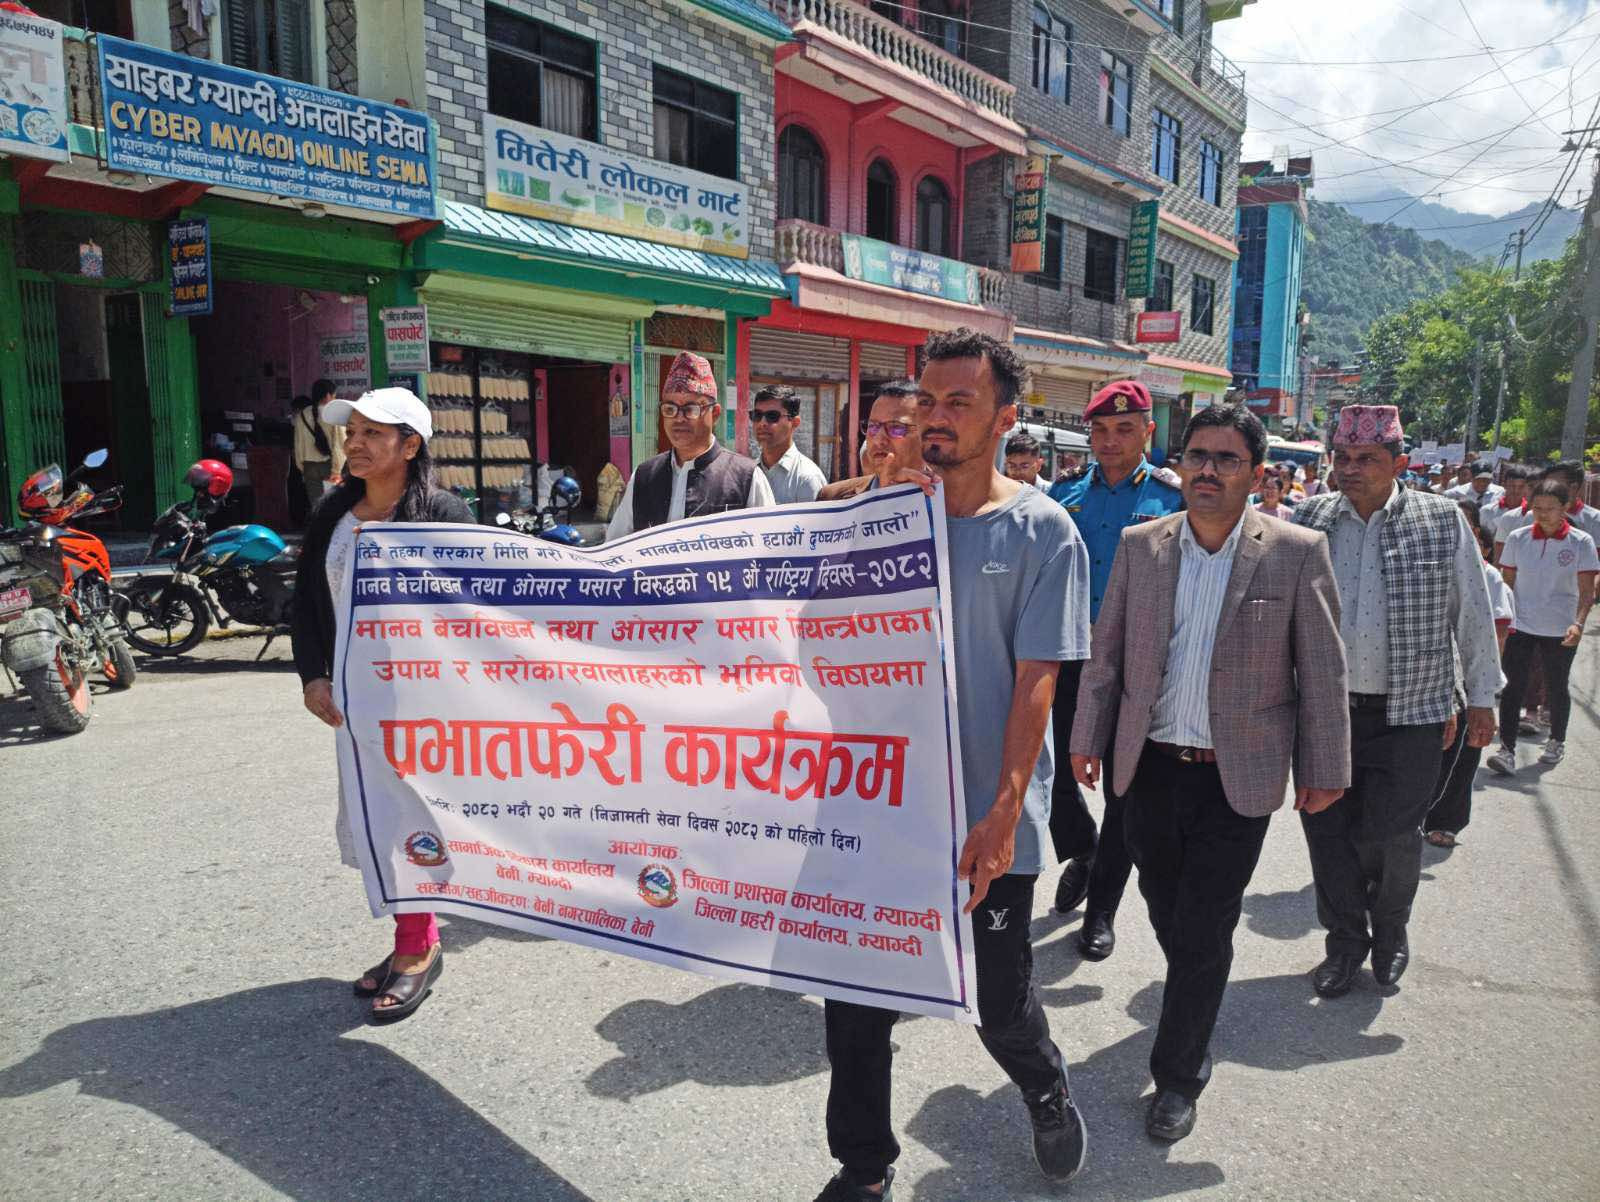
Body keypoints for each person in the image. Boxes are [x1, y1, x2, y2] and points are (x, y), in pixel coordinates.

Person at [815, 329, 1091, 1200]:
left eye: (958, 403)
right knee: (855, 997)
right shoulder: (872, 516)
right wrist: (877, 519)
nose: (934, 418)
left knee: (995, 1000)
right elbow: (812, 636)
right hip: (874, 808)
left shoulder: (1044, 532)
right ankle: (864, 1166)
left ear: (1005, 420)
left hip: (984, 819)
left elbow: (1036, 683)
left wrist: (1003, 812)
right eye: (926, 401)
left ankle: (1043, 1084)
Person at [1071, 403, 1349, 1142]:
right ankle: (1196, 992)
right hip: (1150, 766)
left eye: (1227, 459)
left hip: (1238, 777)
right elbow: (1107, 653)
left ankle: (1178, 1075)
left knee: (1203, 926)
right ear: (1181, 463)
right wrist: (1087, 736)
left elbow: (1322, 671)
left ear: (1256, 475)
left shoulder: (1295, 551)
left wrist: (1325, 767)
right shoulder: (1142, 546)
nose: (1208, 471)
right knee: (1168, 911)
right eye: (1198, 455)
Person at [1291, 405, 1502, 997]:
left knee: (1392, 833)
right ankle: (1344, 943)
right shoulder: (1309, 520)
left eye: (1366, 459)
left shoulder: (1441, 520)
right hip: (1325, 712)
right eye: (1342, 457)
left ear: (1399, 463)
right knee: (1327, 831)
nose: (1350, 469)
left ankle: (1390, 931)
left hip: (1413, 711)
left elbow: (1473, 611)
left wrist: (1482, 698)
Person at [291, 387, 475, 1022]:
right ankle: (413, 938)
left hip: (424, 702)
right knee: (377, 817)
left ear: (411, 445)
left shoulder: (443, 515)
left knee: (412, 815)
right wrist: (313, 676)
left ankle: (417, 946)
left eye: (373, 433)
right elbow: (307, 603)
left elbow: (476, 608)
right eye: (352, 432)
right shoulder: (333, 513)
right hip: (353, 702)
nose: (355, 443)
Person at [1046, 379, 1182, 959]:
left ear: (1147, 432)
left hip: (1137, 664)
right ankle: (1084, 846)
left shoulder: (1174, 500)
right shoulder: (1064, 493)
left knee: (1124, 791)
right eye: (1099, 430)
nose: (1109, 441)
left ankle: (1101, 909)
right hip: (1070, 656)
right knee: (1052, 771)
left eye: (1124, 429)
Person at [1486, 479, 1599, 774]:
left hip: (1560, 628)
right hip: (1521, 624)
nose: (1542, 514)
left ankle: (1556, 740)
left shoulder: (1581, 542)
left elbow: (1587, 591)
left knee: (1556, 685)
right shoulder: (1518, 538)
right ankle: (1506, 749)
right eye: (1537, 508)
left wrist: (1578, 623)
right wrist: (1504, 621)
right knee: (1513, 686)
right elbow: (1507, 583)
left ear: (1565, 508)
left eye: (1550, 508)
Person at [605, 352, 774, 539]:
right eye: (670, 409)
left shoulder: (747, 478)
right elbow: (615, 545)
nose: (678, 418)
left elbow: (769, 546)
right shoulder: (643, 477)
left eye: (690, 409)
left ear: (715, 414)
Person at [1425, 502, 1515, 848]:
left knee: (1461, 755)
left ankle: (1446, 821)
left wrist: (1483, 691)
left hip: (1465, 678)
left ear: (1475, 535)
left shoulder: (1489, 577)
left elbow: (1497, 634)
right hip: (1426, 675)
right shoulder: (1424, 565)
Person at [818, 381, 929, 502]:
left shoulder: (942, 498)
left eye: (895, 427)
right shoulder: (831, 497)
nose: (878, 440)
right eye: (873, 426)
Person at [752, 384, 827, 504]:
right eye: (757, 415)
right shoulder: (750, 472)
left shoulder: (807, 478)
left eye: (772, 416)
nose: (762, 423)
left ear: (795, 422)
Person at [291, 381, 346, 515]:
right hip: (330, 466)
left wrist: (303, 468)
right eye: (334, 396)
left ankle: (318, 527)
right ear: (328, 395)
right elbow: (339, 445)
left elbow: (298, 445)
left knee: (316, 507)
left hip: (309, 467)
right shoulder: (334, 414)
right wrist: (337, 470)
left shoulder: (302, 414)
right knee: (336, 505)